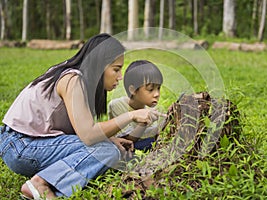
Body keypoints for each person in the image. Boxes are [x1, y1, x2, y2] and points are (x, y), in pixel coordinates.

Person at [0, 34, 162, 199]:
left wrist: (110, 139)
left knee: (111, 149)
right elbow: (88, 135)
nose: (120, 77)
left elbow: (80, 131)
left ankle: (48, 184)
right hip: (21, 146)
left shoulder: (80, 81)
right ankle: (39, 183)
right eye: (116, 69)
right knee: (107, 151)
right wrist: (131, 115)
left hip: (29, 145)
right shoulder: (73, 79)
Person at [108, 60, 164, 152]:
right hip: (126, 148)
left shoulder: (149, 108)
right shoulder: (117, 105)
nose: (157, 94)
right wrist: (144, 123)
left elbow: (153, 133)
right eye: (150, 89)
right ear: (133, 90)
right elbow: (128, 140)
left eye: (158, 88)